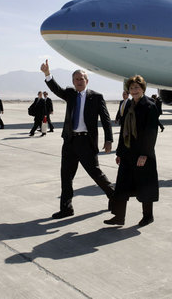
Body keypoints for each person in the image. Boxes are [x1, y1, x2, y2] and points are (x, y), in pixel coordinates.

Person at [40, 60, 114, 219]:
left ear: (87, 81)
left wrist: (109, 140)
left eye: (82, 79)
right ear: (73, 82)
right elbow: (56, 89)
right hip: (69, 141)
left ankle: (114, 198)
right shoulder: (70, 94)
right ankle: (66, 208)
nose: (79, 82)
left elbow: (106, 119)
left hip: (86, 142)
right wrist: (47, 74)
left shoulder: (96, 97)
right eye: (76, 79)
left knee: (96, 173)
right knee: (66, 176)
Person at [104, 75, 159, 227]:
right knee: (122, 185)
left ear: (143, 89)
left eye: (137, 87)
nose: (134, 90)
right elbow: (124, 130)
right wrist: (119, 153)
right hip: (127, 153)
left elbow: (151, 132)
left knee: (145, 185)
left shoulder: (150, 105)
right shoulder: (128, 105)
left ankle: (148, 216)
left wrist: (145, 154)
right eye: (132, 88)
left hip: (142, 153)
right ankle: (118, 217)